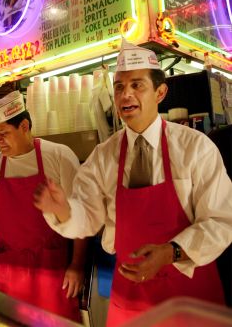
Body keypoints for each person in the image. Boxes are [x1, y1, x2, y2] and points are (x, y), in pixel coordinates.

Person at [34, 39, 232, 326]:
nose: (126, 94)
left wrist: (170, 252)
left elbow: (222, 221)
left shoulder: (195, 147)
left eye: (137, 85)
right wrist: (63, 210)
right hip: (131, 299)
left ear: (160, 92)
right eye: (118, 87)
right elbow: (87, 216)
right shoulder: (103, 156)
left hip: (190, 294)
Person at [0, 90, 87, 323]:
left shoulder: (59, 155)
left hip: (53, 271)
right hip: (8, 272)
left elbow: (81, 213)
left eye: (4, 133)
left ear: (24, 126)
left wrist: (77, 265)